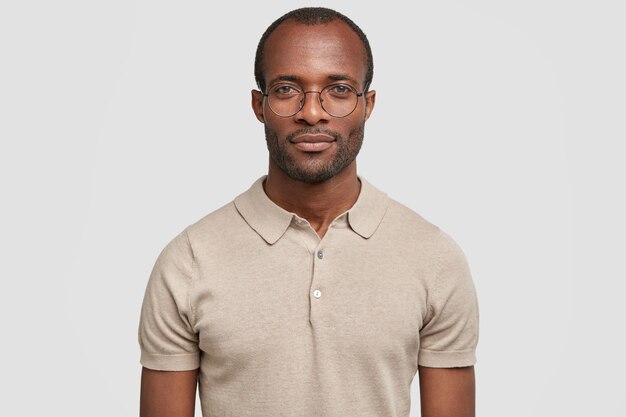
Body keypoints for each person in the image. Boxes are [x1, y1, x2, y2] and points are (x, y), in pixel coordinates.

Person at [138, 7, 479, 417]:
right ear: (258, 105)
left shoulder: (434, 258)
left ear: (367, 104)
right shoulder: (189, 261)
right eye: (286, 89)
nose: (312, 112)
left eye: (338, 89)